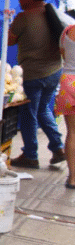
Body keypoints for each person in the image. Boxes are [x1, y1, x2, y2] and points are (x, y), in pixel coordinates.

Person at [8, 0, 66, 168]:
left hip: (33, 74)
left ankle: (31, 155)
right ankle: (57, 147)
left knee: (28, 113)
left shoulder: (23, 18)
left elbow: (8, 42)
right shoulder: (53, 13)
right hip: (54, 71)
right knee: (43, 110)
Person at [54, 24, 75, 188]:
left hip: (68, 81)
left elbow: (62, 54)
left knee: (72, 132)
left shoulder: (67, 31)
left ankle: (72, 178)